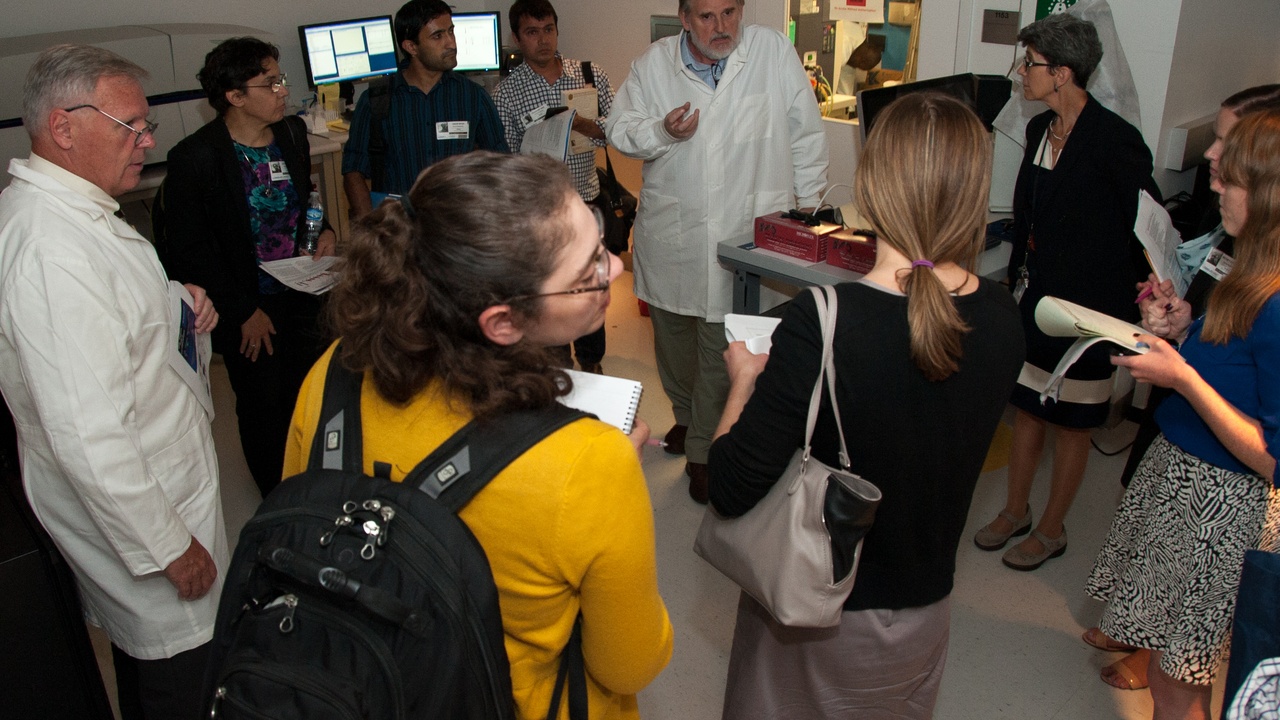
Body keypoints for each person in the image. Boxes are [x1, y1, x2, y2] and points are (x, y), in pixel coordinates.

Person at [283, 151, 673, 719]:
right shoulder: (590, 462)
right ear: (504, 322)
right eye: (587, 270)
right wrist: (611, 494)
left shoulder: (334, 376)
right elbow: (629, 665)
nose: (614, 267)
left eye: (602, 243)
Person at [707, 93, 1025, 719]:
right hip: (924, 612)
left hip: (818, 615)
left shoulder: (820, 324)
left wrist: (743, 380)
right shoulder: (1003, 316)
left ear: (872, 187)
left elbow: (728, 486)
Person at [0, 45, 226, 719]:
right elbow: (88, 435)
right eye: (132, 125)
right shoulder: (52, 250)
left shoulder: (82, 215)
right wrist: (169, 548)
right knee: (178, 682)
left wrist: (180, 305)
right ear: (64, 127)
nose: (148, 139)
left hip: (165, 489)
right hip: (151, 524)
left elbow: (114, 333)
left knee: (159, 671)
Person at [1085, 108, 1280, 720]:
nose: (1215, 186)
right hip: (1182, 483)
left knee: (1177, 678)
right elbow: (1236, 360)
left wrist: (1185, 379)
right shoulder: (1247, 263)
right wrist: (1184, 331)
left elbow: (1274, 457)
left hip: (1220, 508)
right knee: (1171, 667)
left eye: (1231, 179)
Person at [607, 0, 828, 503]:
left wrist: (809, 215)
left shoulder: (770, 51)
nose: (721, 27)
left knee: (719, 347)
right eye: (707, 17)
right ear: (684, 19)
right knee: (673, 343)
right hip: (674, 235)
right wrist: (663, 131)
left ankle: (705, 449)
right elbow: (620, 129)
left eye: (730, 12)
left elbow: (805, 134)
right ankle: (688, 419)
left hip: (746, 230)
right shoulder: (654, 64)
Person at [973, 13, 1158, 571]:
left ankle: (1052, 530)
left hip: (1091, 310)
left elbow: (1145, 230)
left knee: (1073, 424)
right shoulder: (1036, 132)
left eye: (1028, 64)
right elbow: (1030, 212)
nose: (1019, 73)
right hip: (1039, 298)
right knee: (1028, 409)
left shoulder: (1116, 142)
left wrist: (1137, 311)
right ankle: (1015, 511)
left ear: (1062, 72)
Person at [154, 37, 333, 499]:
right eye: (270, 82)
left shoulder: (291, 133)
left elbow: (302, 200)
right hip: (246, 305)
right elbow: (190, 254)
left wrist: (326, 229)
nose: (282, 90)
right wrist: (241, 313)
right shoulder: (197, 159)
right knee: (262, 405)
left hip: (301, 289)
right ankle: (277, 495)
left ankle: (313, 478)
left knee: (309, 389)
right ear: (234, 97)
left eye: (281, 80)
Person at [494, 0, 615, 375]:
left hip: (588, 199)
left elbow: (617, 132)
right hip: (541, 211)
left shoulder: (589, 75)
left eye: (548, 29)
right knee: (553, 290)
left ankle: (592, 359)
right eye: (532, 32)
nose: (542, 40)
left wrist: (585, 126)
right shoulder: (507, 93)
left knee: (593, 286)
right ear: (517, 38)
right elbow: (506, 158)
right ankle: (558, 360)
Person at [342, 0, 508, 219]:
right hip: (399, 227)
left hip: (457, 225)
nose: (451, 43)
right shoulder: (377, 99)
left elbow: (501, 162)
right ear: (411, 47)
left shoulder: (472, 96)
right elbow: (353, 170)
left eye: (451, 32)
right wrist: (368, 225)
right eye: (438, 36)